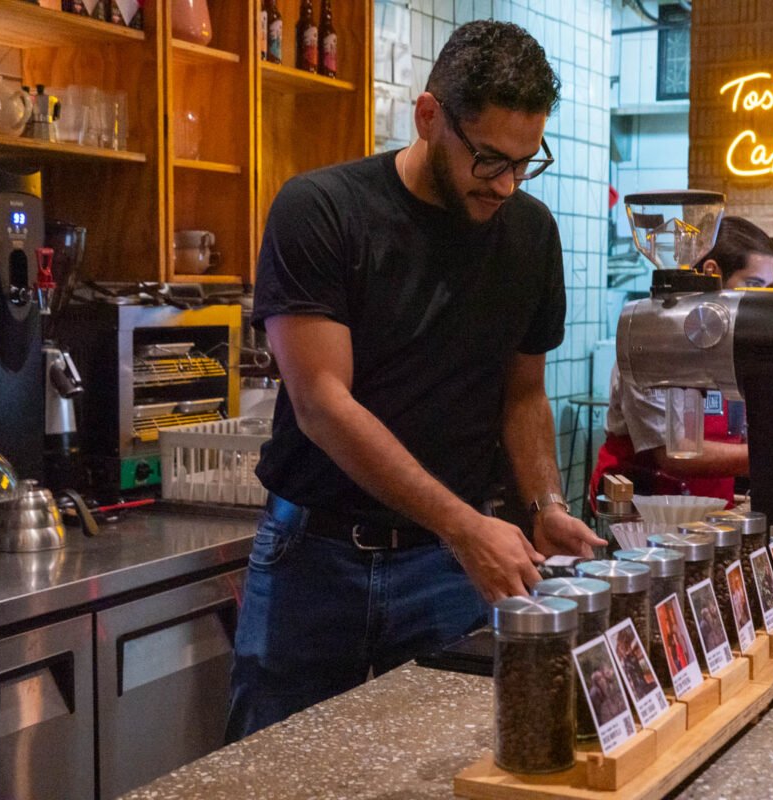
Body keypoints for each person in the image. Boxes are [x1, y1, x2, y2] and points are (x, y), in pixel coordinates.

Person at [227, 20, 603, 741]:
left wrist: (543, 504)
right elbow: (322, 405)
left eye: (528, 161)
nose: (508, 184)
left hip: (444, 570)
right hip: (315, 559)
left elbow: (522, 391)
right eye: (490, 159)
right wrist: (466, 527)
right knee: (276, 772)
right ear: (429, 116)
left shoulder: (530, 233)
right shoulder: (323, 210)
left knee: (437, 765)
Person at [591, 217, 773, 506]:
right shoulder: (655, 338)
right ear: (711, 271)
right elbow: (675, 455)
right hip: (643, 511)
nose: (761, 300)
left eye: (767, 288)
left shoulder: (736, 346)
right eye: (753, 285)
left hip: (714, 511)